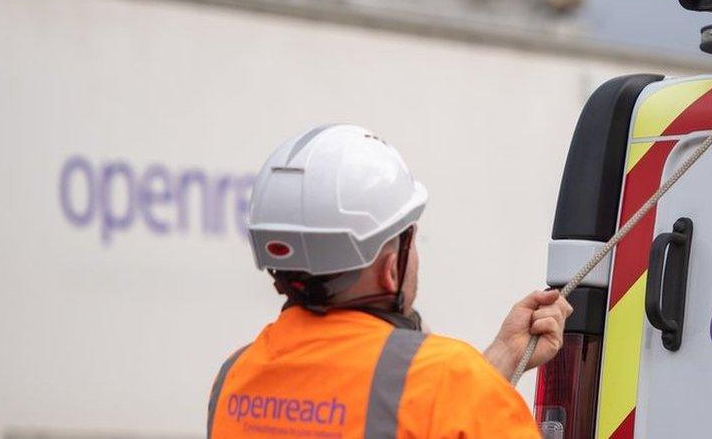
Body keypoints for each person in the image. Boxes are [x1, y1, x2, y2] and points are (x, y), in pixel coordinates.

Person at [207, 125, 572, 438]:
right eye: (409, 238)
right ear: (388, 268)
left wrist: (505, 353)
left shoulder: (235, 376)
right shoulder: (451, 380)